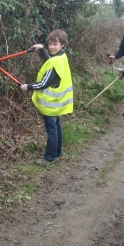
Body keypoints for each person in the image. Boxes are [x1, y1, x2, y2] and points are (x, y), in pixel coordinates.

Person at [20, 29, 74, 166]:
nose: (52, 47)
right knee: (57, 127)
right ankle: (56, 153)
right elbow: (50, 61)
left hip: (50, 104)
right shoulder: (61, 57)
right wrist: (41, 49)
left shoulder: (56, 62)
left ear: (62, 44)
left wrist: (28, 87)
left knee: (51, 131)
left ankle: (49, 158)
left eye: (55, 44)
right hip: (58, 103)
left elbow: (44, 83)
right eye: (50, 44)